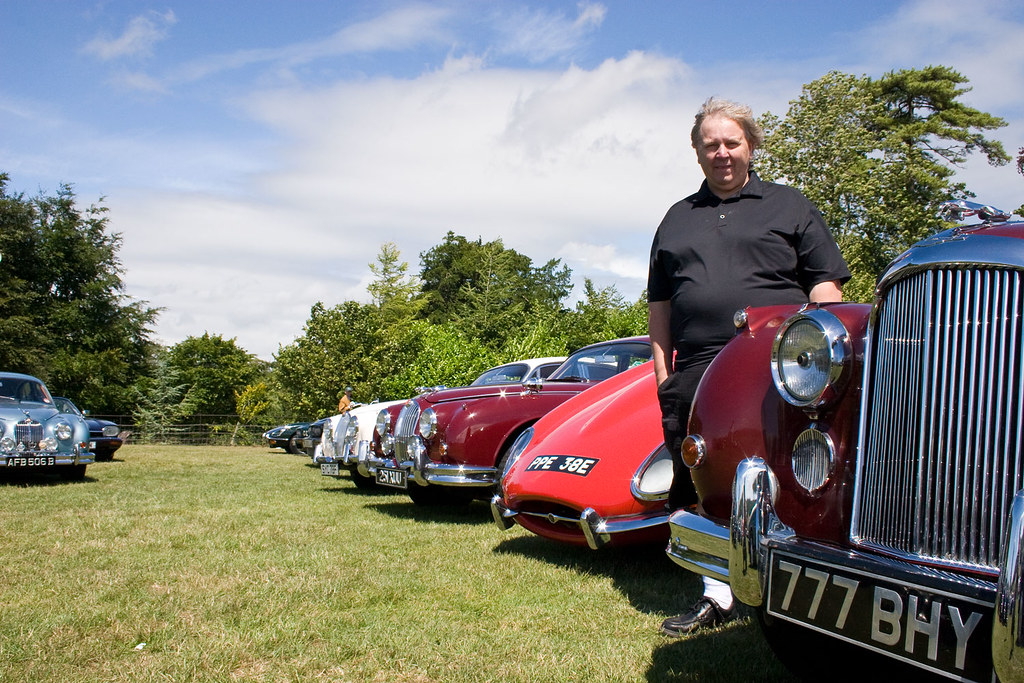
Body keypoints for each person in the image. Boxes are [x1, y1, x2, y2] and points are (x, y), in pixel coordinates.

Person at [648, 97, 850, 636]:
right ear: (697, 153)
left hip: (776, 369)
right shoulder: (675, 218)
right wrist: (665, 377)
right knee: (705, 479)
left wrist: (826, 363)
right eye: (710, 144)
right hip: (696, 370)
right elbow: (659, 307)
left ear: (751, 146)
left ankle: (804, 585)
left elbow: (825, 287)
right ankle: (717, 595)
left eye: (731, 142)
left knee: (793, 472)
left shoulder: (789, 205)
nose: (722, 153)